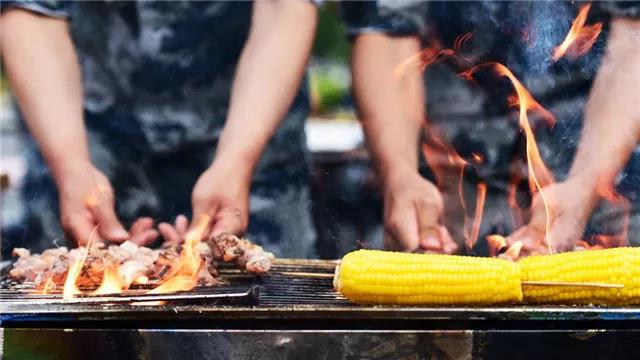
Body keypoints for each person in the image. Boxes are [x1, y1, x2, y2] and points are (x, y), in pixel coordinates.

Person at [1, 1, 318, 258]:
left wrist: (237, 159)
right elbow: (33, 11)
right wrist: (71, 164)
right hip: (80, 131)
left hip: (253, 132)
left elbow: (283, 9)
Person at [342, 1, 640, 254]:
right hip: (447, 171)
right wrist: (399, 174)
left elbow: (633, 38)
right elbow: (386, 31)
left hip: (598, 165)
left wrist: (586, 184)